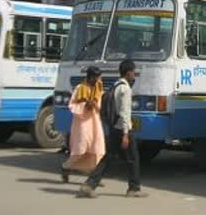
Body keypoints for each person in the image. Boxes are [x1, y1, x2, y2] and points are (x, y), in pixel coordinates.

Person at [79, 59, 147, 198]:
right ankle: (134, 188)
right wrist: (126, 134)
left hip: (114, 127)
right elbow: (125, 112)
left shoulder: (115, 85)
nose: (134, 75)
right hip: (123, 129)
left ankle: (90, 184)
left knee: (108, 157)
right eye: (133, 72)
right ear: (128, 73)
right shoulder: (125, 88)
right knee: (133, 158)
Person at [61, 66, 105, 182]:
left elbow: (100, 105)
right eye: (96, 77)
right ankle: (66, 167)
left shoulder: (98, 88)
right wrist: (85, 105)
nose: (98, 80)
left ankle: (93, 179)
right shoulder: (80, 88)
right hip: (82, 123)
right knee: (81, 149)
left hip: (95, 122)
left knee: (97, 149)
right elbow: (72, 105)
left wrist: (95, 106)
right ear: (90, 77)